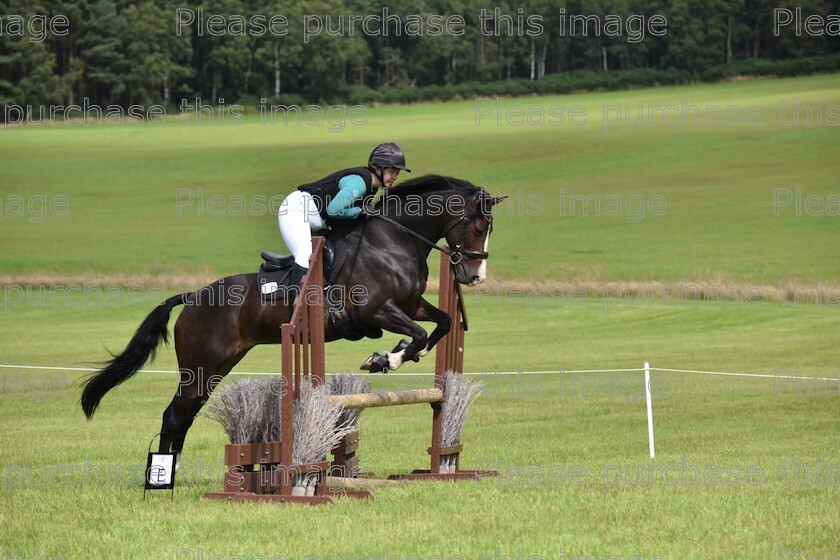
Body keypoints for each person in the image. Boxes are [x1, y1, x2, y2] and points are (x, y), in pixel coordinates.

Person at [277, 142, 410, 289]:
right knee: (305, 256)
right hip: (295, 210)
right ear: (377, 168)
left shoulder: (372, 189)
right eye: (392, 172)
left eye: (397, 173)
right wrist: (361, 211)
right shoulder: (359, 184)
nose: (395, 177)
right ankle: (297, 305)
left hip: (318, 219)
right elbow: (334, 210)